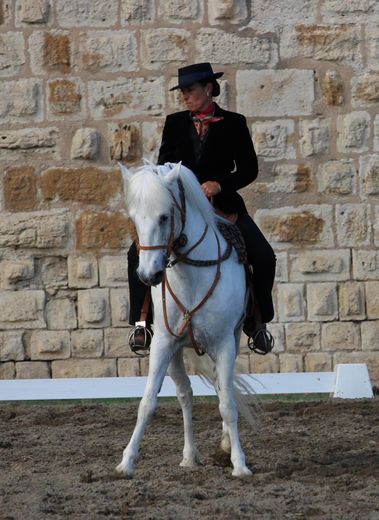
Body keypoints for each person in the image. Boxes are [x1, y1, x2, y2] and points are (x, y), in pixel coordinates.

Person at [127, 62, 276, 354]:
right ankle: (141, 324)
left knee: (265, 256)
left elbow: (248, 169)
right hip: (182, 210)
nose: (185, 96)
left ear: (208, 88)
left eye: (190, 90)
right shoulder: (174, 122)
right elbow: (163, 167)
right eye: (182, 91)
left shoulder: (234, 122)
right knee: (136, 252)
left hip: (223, 208)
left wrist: (219, 184)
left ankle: (258, 324)